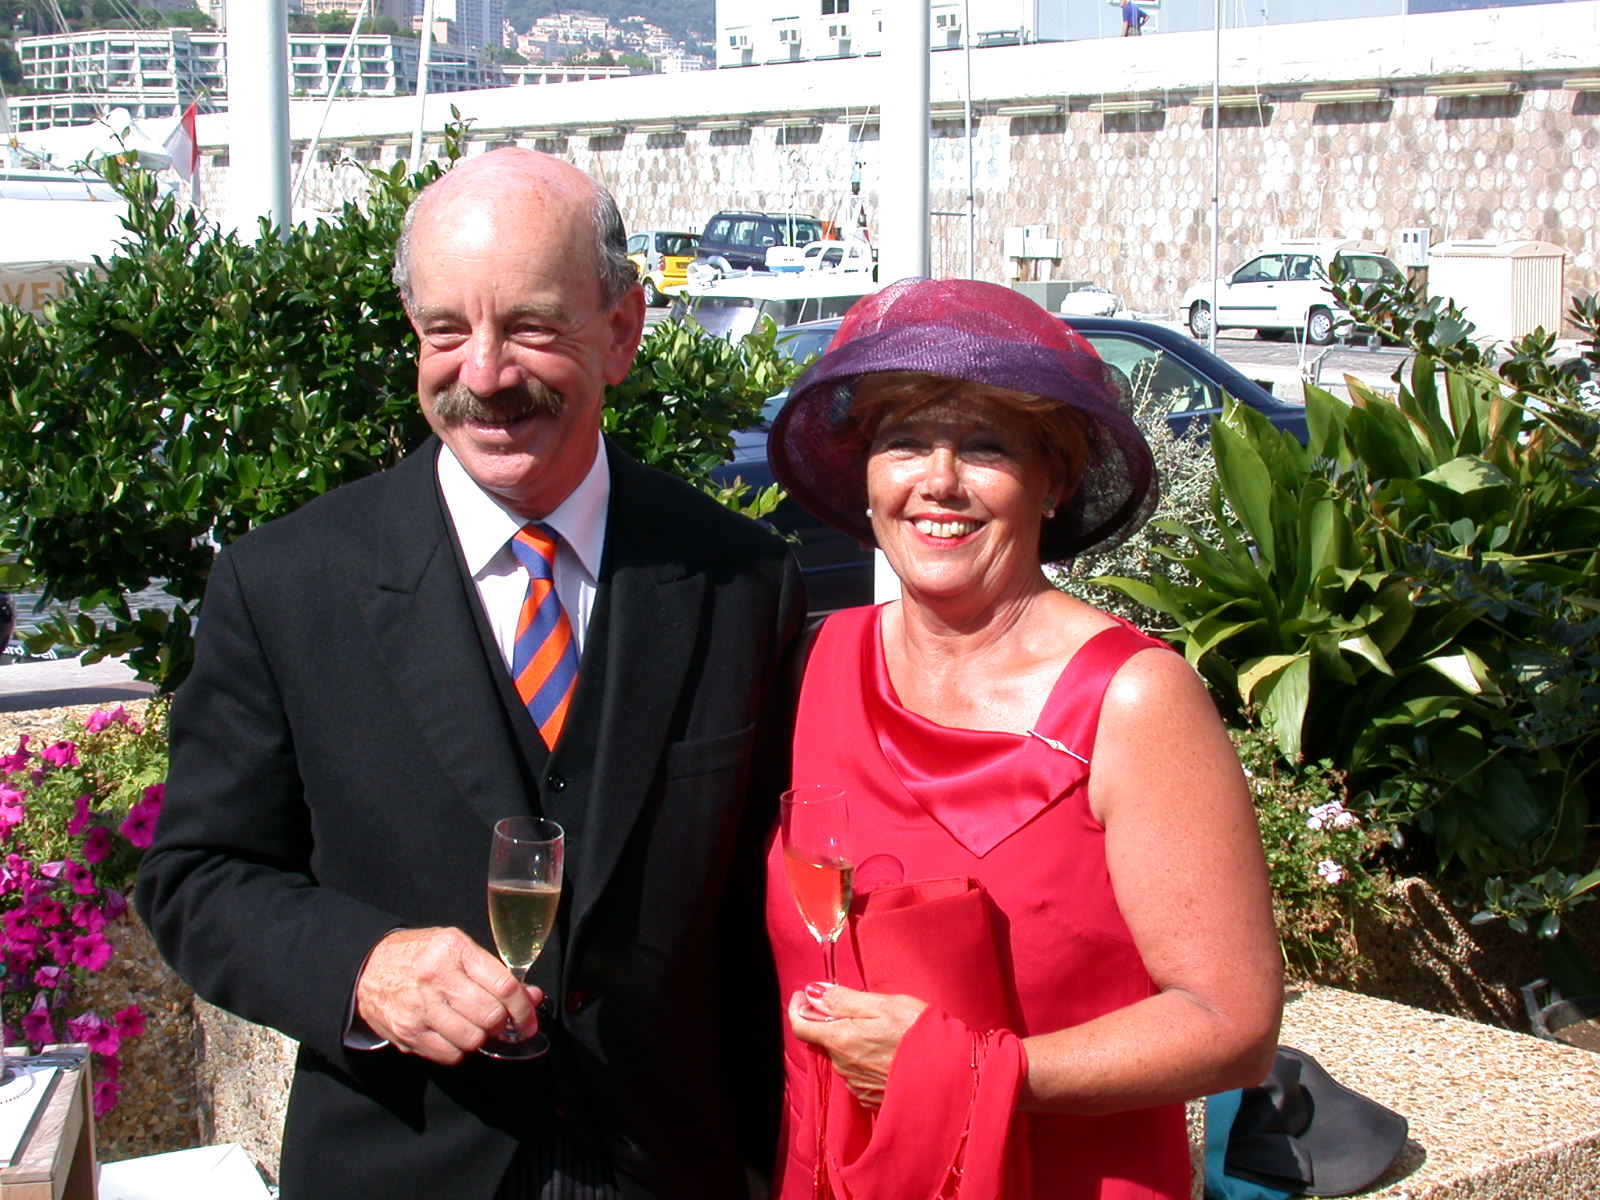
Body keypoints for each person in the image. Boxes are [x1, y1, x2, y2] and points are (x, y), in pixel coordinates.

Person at [136, 148, 805, 1200]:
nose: (484, 375)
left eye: (530, 327)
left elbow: (765, 918)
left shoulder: (742, 582)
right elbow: (196, 876)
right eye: (446, 331)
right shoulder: (286, 585)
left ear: (622, 331)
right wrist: (363, 967)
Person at [762, 278, 1283, 1199]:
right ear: (868, 475)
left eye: (986, 446)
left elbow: (1231, 1023)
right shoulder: (817, 664)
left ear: (1054, 481)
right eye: (904, 441)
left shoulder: (1132, 701)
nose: (939, 481)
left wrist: (960, 1073)